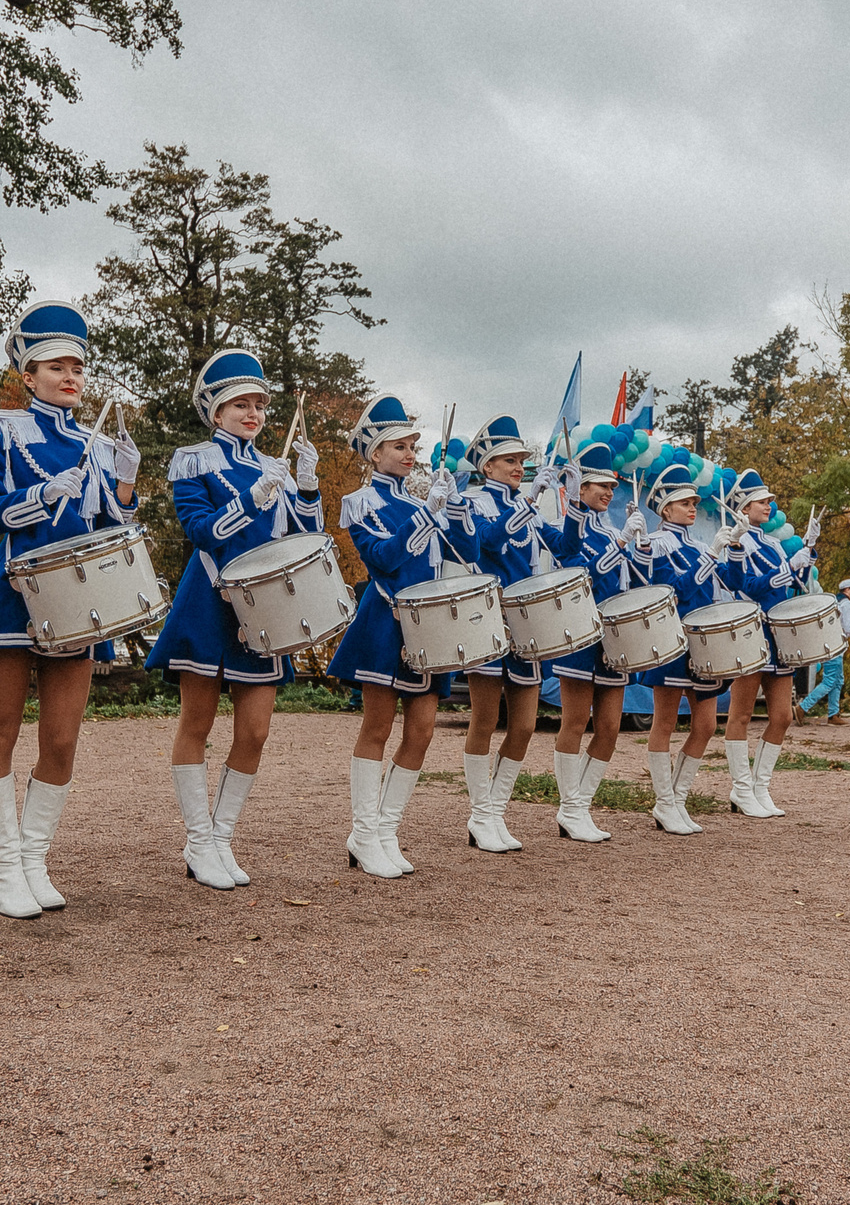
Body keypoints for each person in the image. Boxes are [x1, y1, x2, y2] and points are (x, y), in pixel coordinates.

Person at [0, 301, 140, 917]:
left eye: (78, 367)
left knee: (61, 741)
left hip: (81, 599)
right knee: (0, 732)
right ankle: (3, 866)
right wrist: (40, 494)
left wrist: (125, 486)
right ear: (27, 374)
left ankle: (34, 858)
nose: (70, 376)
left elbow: (111, 528)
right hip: (14, 591)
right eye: (54, 365)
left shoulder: (97, 442)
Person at [143, 349, 322, 891]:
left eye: (259, 405)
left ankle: (222, 837)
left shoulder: (276, 467)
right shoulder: (193, 459)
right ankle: (198, 841)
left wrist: (308, 489)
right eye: (240, 404)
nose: (252, 414)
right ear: (216, 412)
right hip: (209, 600)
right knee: (196, 724)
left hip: (266, 608)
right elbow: (199, 530)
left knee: (256, 731)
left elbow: (301, 537)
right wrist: (248, 499)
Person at [326, 395, 448, 878]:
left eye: (412, 446)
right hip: (384, 621)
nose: (409, 454)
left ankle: (386, 830)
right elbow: (383, 559)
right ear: (375, 454)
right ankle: (362, 832)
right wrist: (426, 517)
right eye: (399, 446)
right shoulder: (359, 502)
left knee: (422, 731)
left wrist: (451, 506)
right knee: (376, 728)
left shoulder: (423, 501)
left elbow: (466, 553)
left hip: (429, 625)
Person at [446, 416, 550, 853]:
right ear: (487, 467)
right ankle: (478, 814)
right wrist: (524, 506)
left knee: (525, 725)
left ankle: (495, 811)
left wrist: (576, 509)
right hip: (484, 616)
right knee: (485, 719)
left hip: (523, 619)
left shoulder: (525, 505)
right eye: (509, 460)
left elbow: (560, 546)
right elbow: (481, 544)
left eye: (522, 461)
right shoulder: (472, 500)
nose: (518, 467)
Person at [536, 439, 631, 842]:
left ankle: (582, 805)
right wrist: (622, 547)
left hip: (614, 636)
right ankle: (567, 808)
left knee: (609, 727)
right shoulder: (564, 528)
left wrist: (636, 550)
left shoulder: (613, 532)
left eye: (611, 486)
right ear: (579, 489)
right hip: (578, 632)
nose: (608, 493)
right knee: (575, 721)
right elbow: (578, 570)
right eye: (599, 486)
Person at [627, 462, 725, 836]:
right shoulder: (657, 544)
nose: (692, 507)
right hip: (671, 642)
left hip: (701, 643)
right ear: (665, 509)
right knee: (665, 723)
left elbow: (718, 590)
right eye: (684, 502)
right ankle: (664, 804)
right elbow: (674, 590)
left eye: (694, 502)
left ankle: (677, 799)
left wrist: (728, 551)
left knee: (706, 725)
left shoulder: (700, 545)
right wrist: (713, 557)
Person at [715, 470, 808, 819]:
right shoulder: (734, 540)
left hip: (778, 635)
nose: (770, 506)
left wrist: (805, 558)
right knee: (739, 714)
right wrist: (786, 572)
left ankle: (759, 786)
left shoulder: (770, 544)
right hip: (751, 632)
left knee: (782, 717)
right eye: (762, 501)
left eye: (770, 501)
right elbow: (747, 586)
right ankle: (740, 789)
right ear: (743, 506)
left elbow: (786, 589)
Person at [795, 578, 850, 724]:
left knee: (837, 680)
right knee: (830, 680)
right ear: (848, 590)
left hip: (829, 644)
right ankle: (802, 707)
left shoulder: (835, 603)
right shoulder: (847, 604)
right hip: (835, 645)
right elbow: (848, 628)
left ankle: (833, 714)